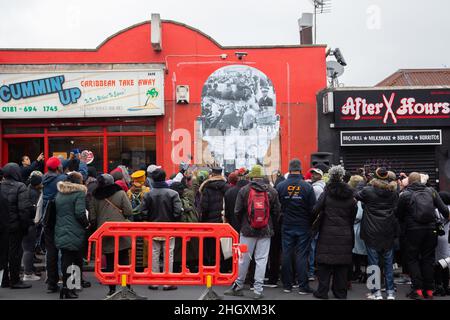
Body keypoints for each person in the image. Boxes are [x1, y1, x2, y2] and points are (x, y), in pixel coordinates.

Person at [224, 165, 281, 299]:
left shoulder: (244, 190)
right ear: (263, 176)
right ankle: (258, 290)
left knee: (243, 259)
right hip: (265, 230)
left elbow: (237, 211)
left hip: (247, 230)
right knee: (261, 259)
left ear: (251, 177)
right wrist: (268, 222)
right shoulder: (272, 191)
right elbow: (277, 211)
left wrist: (245, 223)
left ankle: (238, 286)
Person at [396, 172, 449, 300]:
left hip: (413, 231)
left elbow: (399, 214)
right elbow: (445, 211)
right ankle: (429, 291)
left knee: (413, 259)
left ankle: (418, 290)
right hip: (431, 230)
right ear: (420, 180)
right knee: (428, 259)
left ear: (409, 182)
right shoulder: (432, 191)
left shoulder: (405, 194)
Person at [311, 165, 357, 299]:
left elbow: (315, 210)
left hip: (327, 233)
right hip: (345, 233)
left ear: (330, 176)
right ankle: (340, 292)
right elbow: (352, 215)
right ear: (342, 177)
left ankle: (322, 292)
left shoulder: (327, 192)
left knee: (324, 264)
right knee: (342, 265)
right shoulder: (350, 194)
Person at [356, 167, 399, 300]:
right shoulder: (393, 192)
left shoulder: (368, 191)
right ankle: (390, 292)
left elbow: (356, 195)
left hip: (372, 231)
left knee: (373, 262)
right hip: (388, 230)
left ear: (375, 177)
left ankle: (376, 292)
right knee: (388, 263)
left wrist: (363, 182)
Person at [276, 159, 316, 295]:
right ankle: (303, 286)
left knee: (286, 253)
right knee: (302, 255)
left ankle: (287, 285)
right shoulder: (307, 187)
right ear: (300, 170)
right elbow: (313, 209)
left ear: (289, 169)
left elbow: (277, 207)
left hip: (287, 224)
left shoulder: (281, 186)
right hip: (303, 224)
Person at [89, 174, 133, 298]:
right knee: (124, 262)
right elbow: (129, 211)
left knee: (109, 262)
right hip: (121, 231)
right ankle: (125, 288)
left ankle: (112, 289)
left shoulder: (95, 197)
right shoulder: (120, 193)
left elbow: (92, 218)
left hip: (104, 232)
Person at [141, 169, 182, 291]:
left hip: (153, 227)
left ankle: (154, 281)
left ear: (153, 179)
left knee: (154, 253)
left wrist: (149, 219)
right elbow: (178, 211)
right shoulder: (173, 193)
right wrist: (174, 220)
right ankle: (167, 282)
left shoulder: (148, 194)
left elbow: (143, 211)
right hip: (169, 227)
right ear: (165, 178)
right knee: (168, 253)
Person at [55, 172, 89, 299]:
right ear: (78, 182)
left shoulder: (60, 193)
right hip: (75, 230)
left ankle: (66, 287)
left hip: (61, 229)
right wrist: (86, 224)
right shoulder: (79, 193)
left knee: (66, 258)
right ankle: (70, 287)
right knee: (74, 259)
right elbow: (80, 213)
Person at [0, 163, 34, 289]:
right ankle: (15, 280)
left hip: (2, 226)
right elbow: (23, 209)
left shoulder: (1, 185)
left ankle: (4, 280)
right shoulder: (21, 186)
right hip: (15, 226)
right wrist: (25, 226)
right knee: (15, 254)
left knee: (3, 253)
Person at [42, 156, 67, 293]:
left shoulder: (44, 179)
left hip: (47, 218)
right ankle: (65, 280)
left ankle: (52, 283)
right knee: (64, 250)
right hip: (59, 216)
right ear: (58, 167)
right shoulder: (62, 179)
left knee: (51, 251)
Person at [199, 166, 230, 265]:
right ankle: (223, 265)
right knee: (222, 244)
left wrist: (202, 220)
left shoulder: (206, 187)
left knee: (210, 244)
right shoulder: (226, 187)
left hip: (209, 221)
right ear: (221, 174)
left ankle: (210, 264)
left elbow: (204, 207)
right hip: (222, 220)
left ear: (212, 174)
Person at [22, 172, 43, 281]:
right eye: (40, 182)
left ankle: (30, 270)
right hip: (30, 223)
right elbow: (35, 209)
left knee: (27, 249)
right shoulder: (34, 193)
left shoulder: (26, 189)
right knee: (28, 249)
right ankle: (28, 273)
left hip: (25, 223)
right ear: (37, 184)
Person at [308, 168, 326, 281]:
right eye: (312, 173)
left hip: (315, 221)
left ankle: (310, 271)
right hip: (322, 220)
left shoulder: (315, 188)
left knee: (312, 247)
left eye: (316, 174)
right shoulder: (324, 186)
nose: (313, 175)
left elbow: (313, 207)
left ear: (320, 176)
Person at [434, 191, 450, 296]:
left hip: (438, 238)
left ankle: (439, 286)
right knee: (446, 263)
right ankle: (446, 286)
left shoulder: (436, 210)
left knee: (438, 263)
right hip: (448, 237)